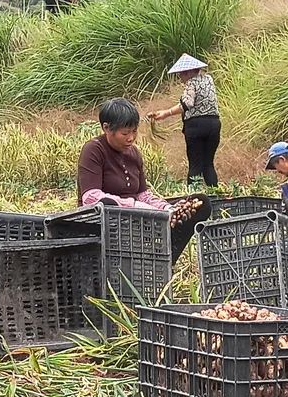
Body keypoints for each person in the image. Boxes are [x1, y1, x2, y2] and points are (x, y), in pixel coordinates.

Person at [77, 98, 212, 262]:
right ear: (106, 128)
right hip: (108, 222)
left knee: (200, 203)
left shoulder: (134, 153)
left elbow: (143, 194)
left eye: (134, 131)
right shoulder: (94, 149)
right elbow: (90, 197)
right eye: (125, 133)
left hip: (139, 218)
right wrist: (134, 207)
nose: (131, 138)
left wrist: (166, 208)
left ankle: (166, 256)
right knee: (107, 205)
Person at [147, 54, 221, 187]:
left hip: (196, 126)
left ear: (188, 72)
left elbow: (187, 104)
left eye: (182, 74)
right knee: (208, 164)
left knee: (195, 165)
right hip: (214, 124)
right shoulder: (208, 79)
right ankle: (215, 193)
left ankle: (193, 195)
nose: (181, 77)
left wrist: (167, 113)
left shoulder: (191, 82)